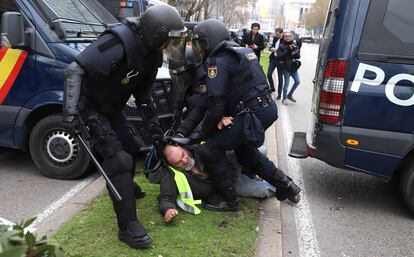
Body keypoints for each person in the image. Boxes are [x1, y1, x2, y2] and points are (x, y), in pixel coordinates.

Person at [61, 5, 187, 249]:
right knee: (118, 160)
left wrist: (154, 130)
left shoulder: (150, 55)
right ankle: (128, 227)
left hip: (111, 108)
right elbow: (75, 69)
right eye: (169, 39)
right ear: (157, 34)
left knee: (131, 149)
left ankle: (125, 188)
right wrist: (70, 113)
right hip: (90, 107)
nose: (172, 45)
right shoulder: (117, 42)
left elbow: (142, 96)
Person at [177, 19, 301, 211]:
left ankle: (229, 200)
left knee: (209, 149)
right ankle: (287, 186)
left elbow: (215, 106)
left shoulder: (216, 61)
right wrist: (183, 132)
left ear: (209, 40)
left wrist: (198, 135)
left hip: (252, 113)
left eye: (200, 43)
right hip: (264, 109)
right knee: (245, 153)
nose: (199, 49)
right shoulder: (238, 51)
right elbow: (210, 100)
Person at [277, 31, 301, 105]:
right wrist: (287, 50)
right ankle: (284, 99)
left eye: (289, 36)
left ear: (291, 37)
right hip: (286, 68)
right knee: (286, 84)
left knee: (297, 81)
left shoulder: (294, 44)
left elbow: (298, 56)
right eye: (286, 36)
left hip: (294, 67)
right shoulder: (281, 46)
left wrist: (295, 53)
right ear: (284, 37)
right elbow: (279, 57)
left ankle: (289, 95)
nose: (288, 37)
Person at [267, 27, 284, 97]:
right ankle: (272, 89)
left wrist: (276, 50)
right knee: (269, 74)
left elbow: (284, 50)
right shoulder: (275, 38)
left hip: (280, 60)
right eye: (276, 34)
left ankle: (279, 93)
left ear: (281, 33)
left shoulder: (284, 39)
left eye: (278, 34)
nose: (276, 36)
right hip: (274, 59)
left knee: (280, 77)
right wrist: (271, 48)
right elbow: (271, 46)